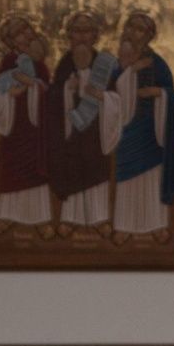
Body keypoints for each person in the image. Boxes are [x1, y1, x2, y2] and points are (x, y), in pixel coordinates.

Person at [107, 12, 174, 245]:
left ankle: (156, 226)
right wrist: (130, 72)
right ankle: (124, 226)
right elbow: (110, 94)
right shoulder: (119, 64)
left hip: (151, 131)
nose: (134, 33)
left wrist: (157, 92)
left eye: (140, 29)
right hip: (127, 132)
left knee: (151, 180)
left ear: (149, 36)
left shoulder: (157, 64)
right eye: (131, 27)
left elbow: (172, 95)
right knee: (127, 180)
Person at [44, 12, 117, 238]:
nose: (82, 36)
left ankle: (98, 219)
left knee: (96, 171)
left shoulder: (104, 64)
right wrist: (68, 89)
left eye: (87, 31)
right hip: (72, 132)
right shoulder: (65, 64)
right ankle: (71, 218)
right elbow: (53, 96)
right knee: (73, 171)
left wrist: (103, 97)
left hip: (96, 131)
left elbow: (116, 98)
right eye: (77, 31)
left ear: (95, 36)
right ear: (69, 36)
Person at [0, 15, 53, 237]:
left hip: (35, 130)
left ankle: (40, 219)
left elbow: (47, 91)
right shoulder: (8, 62)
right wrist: (7, 94)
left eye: (27, 30)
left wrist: (32, 85)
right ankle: (8, 216)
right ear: (11, 41)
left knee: (35, 170)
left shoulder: (39, 64)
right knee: (13, 171)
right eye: (19, 34)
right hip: (14, 128)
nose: (25, 35)